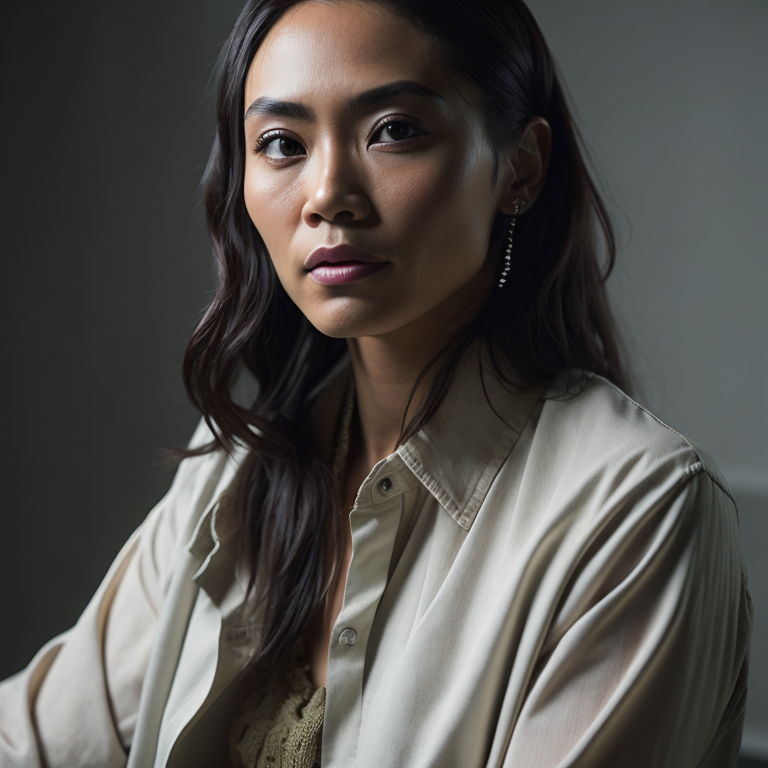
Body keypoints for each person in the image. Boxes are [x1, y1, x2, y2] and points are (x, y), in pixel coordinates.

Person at [0, 0, 752, 766]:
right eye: (282, 143)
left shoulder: (635, 513)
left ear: (519, 166)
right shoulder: (239, 464)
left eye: (394, 129)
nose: (328, 194)